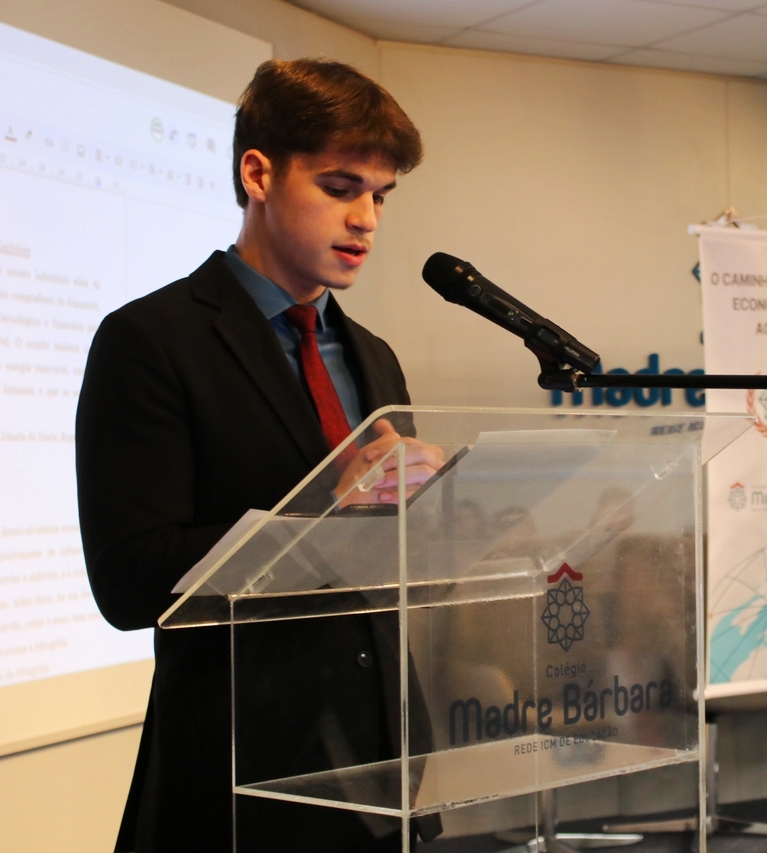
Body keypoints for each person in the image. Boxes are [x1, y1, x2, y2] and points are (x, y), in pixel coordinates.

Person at [76, 59, 441, 852]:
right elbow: (128, 579)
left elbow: (383, 564)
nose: (366, 220)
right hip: (242, 777)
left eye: (381, 196)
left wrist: (443, 516)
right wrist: (321, 513)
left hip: (384, 765)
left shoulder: (374, 357)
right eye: (341, 188)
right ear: (258, 174)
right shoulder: (151, 341)